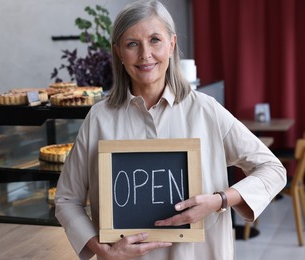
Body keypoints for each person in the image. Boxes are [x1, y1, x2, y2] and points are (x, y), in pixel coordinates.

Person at [55, 1, 287, 259]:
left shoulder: (206, 111)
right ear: (118, 52)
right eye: (132, 44)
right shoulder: (99, 119)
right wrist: (101, 250)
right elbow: (67, 200)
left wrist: (220, 200)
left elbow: (273, 170)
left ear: (172, 43)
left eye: (155, 40)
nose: (145, 54)